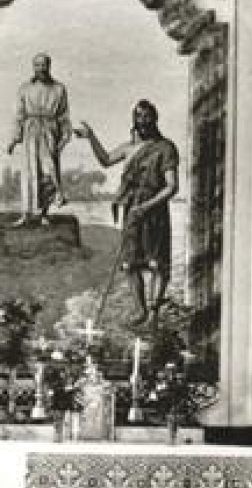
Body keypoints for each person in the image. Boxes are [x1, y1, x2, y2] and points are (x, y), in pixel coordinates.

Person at [75, 100, 180, 326]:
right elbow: (105, 161)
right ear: (134, 121)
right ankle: (140, 309)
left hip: (154, 211)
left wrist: (146, 206)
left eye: (147, 117)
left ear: (154, 119)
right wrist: (91, 136)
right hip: (132, 209)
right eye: (138, 117)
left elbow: (172, 187)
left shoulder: (165, 148)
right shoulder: (128, 148)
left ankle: (153, 311)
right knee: (130, 262)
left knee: (156, 262)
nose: (142, 121)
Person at [7, 52, 70, 226]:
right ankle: (26, 214)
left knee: (48, 172)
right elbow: (19, 115)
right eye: (37, 65)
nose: (40, 68)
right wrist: (14, 139)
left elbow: (64, 116)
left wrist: (64, 137)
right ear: (33, 67)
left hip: (50, 132)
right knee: (29, 172)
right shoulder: (24, 88)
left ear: (49, 66)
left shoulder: (59, 89)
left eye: (44, 65)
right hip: (30, 131)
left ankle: (44, 213)